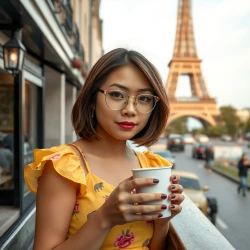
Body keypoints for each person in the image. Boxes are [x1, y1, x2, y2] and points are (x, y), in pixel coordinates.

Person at [24, 48, 184, 250]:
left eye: (144, 98)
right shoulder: (65, 167)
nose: (130, 109)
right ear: (92, 99)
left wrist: (163, 220)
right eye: (117, 95)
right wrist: (105, 218)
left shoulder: (151, 165)